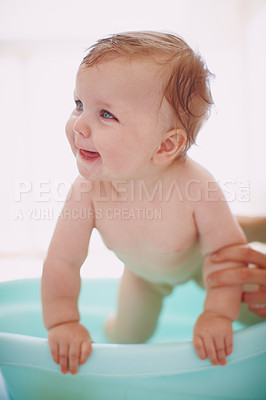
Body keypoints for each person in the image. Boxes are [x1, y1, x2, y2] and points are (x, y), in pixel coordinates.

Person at [42, 31, 257, 376]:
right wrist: (63, 322)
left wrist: (218, 314)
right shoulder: (87, 191)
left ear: (165, 147)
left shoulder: (195, 185)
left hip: (203, 266)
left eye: (106, 114)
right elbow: (63, 262)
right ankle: (113, 337)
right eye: (80, 104)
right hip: (142, 275)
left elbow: (227, 253)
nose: (79, 124)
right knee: (128, 336)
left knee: (254, 313)